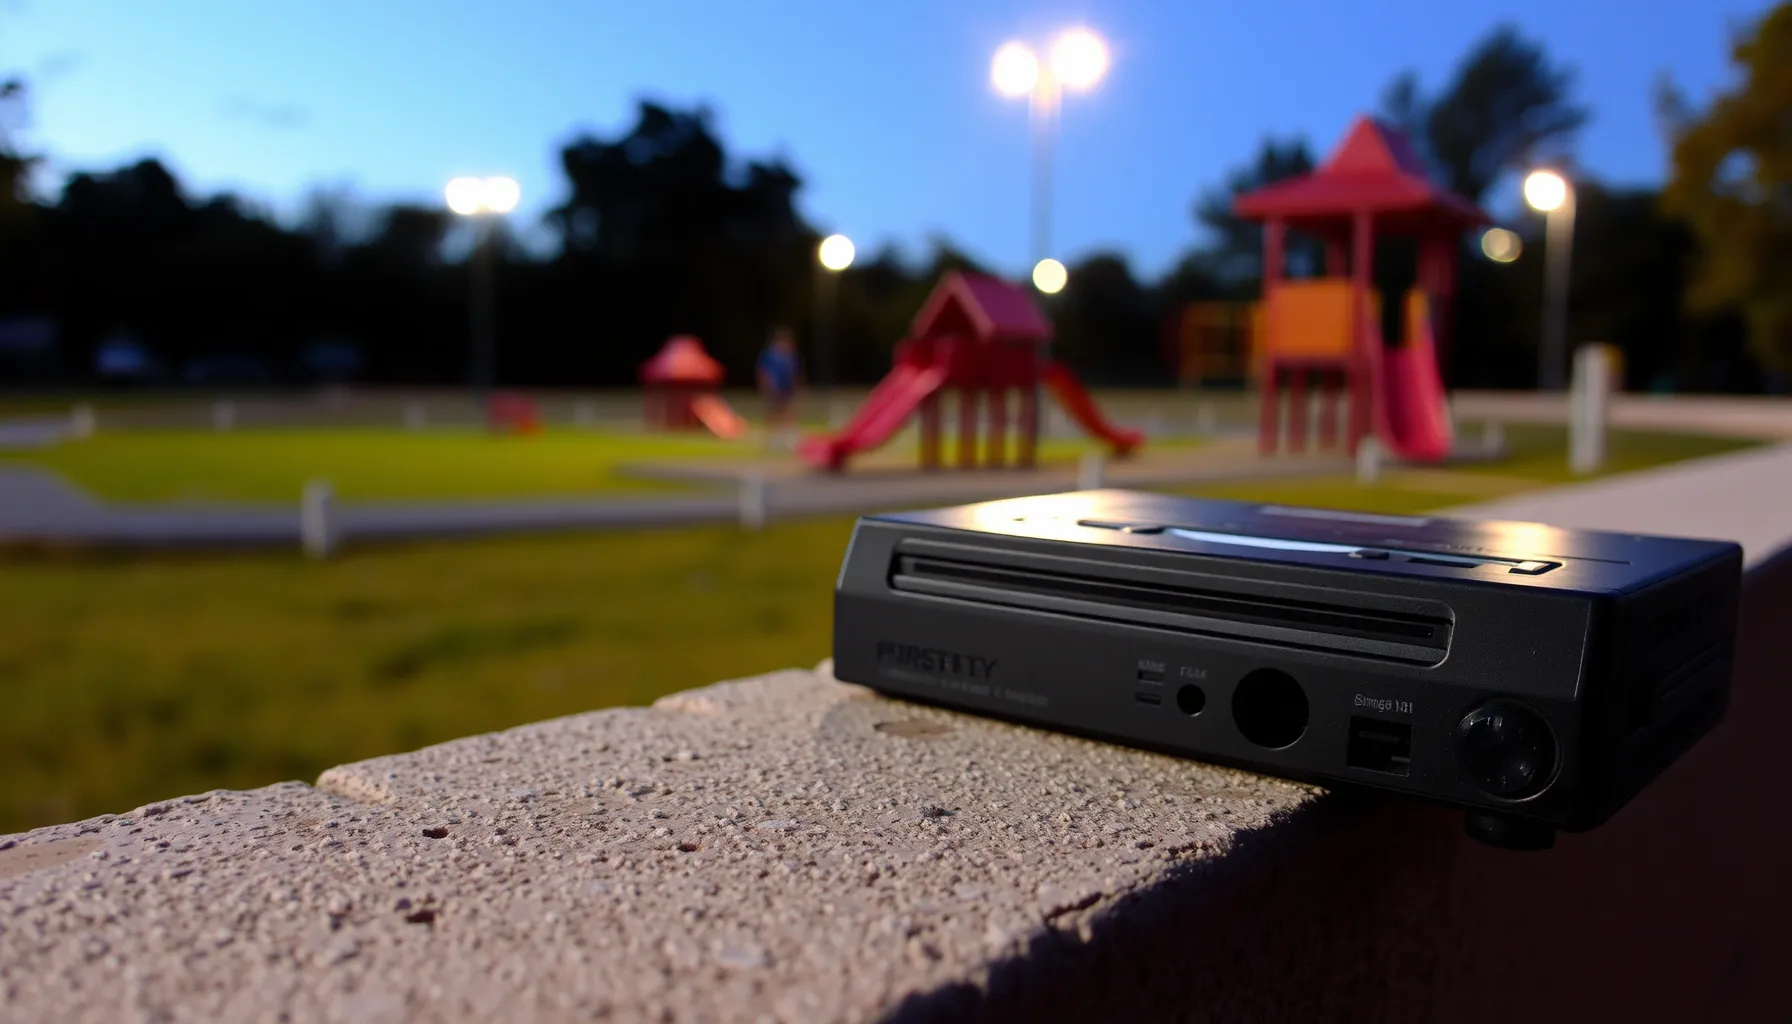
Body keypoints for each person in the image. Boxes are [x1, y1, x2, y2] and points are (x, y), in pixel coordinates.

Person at [756, 327, 802, 452]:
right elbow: (763, 372)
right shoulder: (769, 355)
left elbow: (795, 373)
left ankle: (788, 439)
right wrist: (766, 387)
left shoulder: (791, 356)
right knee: (773, 414)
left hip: (787, 389)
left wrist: (796, 387)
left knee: (788, 413)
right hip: (773, 388)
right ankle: (773, 440)